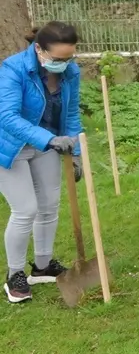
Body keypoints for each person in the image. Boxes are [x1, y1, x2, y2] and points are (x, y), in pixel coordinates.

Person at [0, 23, 83, 303]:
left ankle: (42, 266)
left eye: (70, 57)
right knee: (26, 209)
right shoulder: (13, 70)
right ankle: (14, 275)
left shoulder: (70, 72)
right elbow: (7, 117)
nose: (65, 63)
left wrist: (75, 153)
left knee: (49, 206)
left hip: (47, 143)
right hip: (9, 146)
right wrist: (49, 139)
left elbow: (71, 114)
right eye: (58, 58)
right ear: (39, 49)